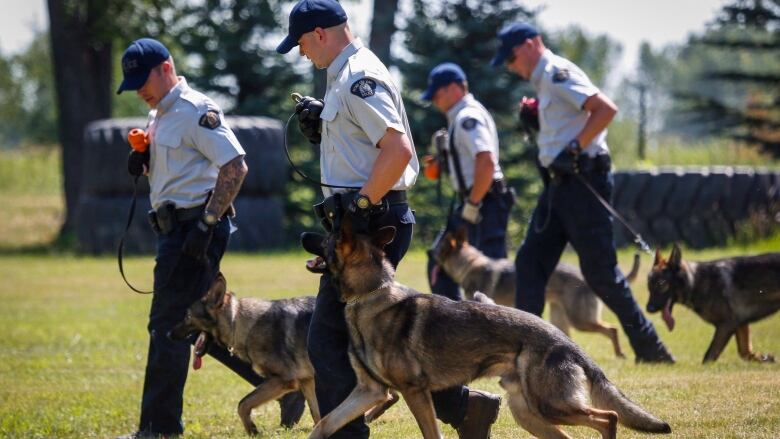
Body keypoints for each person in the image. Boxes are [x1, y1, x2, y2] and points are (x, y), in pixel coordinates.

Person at [276, 1, 501, 437]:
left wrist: (359, 206)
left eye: (301, 42)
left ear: (320, 33)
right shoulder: (345, 75)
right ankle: (466, 408)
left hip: (371, 222)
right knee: (378, 337)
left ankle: (350, 434)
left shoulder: (359, 76)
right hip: (365, 220)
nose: (301, 52)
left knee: (327, 338)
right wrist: (326, 128)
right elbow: (367, 146)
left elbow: (397, 151)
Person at [115, 38, 302, 438]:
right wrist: (144, 163)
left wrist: (207, 223)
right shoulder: (160, 114)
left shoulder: (196, 110)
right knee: (201, 323)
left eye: (142, 80)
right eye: (132, 84)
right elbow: (181, 171)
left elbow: (235, 166)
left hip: (195, 229)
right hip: (175, 227)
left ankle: (159, 429)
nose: (139, 90)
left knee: (166, 326)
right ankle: (284, 387)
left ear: (166, 67)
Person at [491, 23, 676, 363]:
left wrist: (573, 148)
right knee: (529, 264)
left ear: (532, 44)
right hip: (560, 185)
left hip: (582, 182)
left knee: (601, 273)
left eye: (512, 57)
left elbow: (605, 109)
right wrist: (541, 122)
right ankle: (526, 352)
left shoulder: (557, 72)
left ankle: (652, 349)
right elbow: (567, 120)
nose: (510, 66)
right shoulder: (544, 81)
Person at [421, 62, 514, 301]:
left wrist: (473, 204)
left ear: (454, 88)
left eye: (437, 95)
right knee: (440, 258)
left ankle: (501, 327)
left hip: (483, 201)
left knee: (491, 274)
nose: (434, 101)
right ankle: (459, 320)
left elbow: (486, 160)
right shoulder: (459, 118)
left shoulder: (467, 117)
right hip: (476, 200)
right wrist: (442, 159)